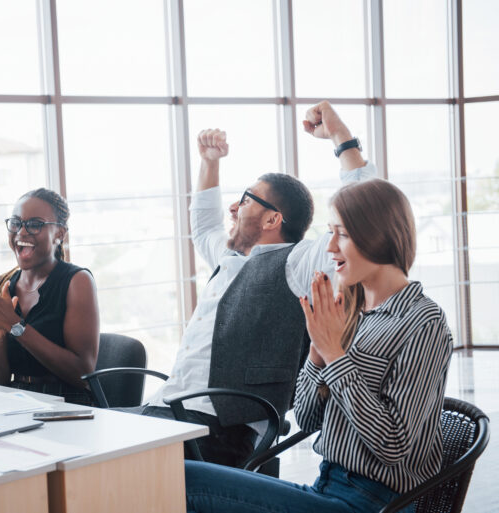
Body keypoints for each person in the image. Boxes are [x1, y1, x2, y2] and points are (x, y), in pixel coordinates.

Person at [119, 101, 376, 468]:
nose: (233, 209)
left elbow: (366, 216)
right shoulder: (230, 258)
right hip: (167, 409)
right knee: (80, 445)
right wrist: (210, 163)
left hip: (218, 429)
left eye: (244, 200)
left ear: (273, 219)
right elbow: (204, 226)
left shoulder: (298, 261)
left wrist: (341, 138)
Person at [184, 178, 453, 513]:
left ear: (377, 236)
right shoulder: (353, 314)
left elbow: (393, 444)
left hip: (372, 503)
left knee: (185, 482)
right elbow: (310, 419)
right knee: (174, 476)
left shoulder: (422, 321)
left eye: (342, 234)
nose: (330, 248)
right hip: (326, 487)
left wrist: (336, 356)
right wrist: (317, 353)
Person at [0, 188, 99, 405]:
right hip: (15, 402)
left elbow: (82, 374)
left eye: (35, 224)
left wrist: (15, 325)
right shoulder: (2, 286)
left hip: (68, 403)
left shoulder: (77, 281)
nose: (21, 232)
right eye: (16, 223)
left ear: (60, 234)